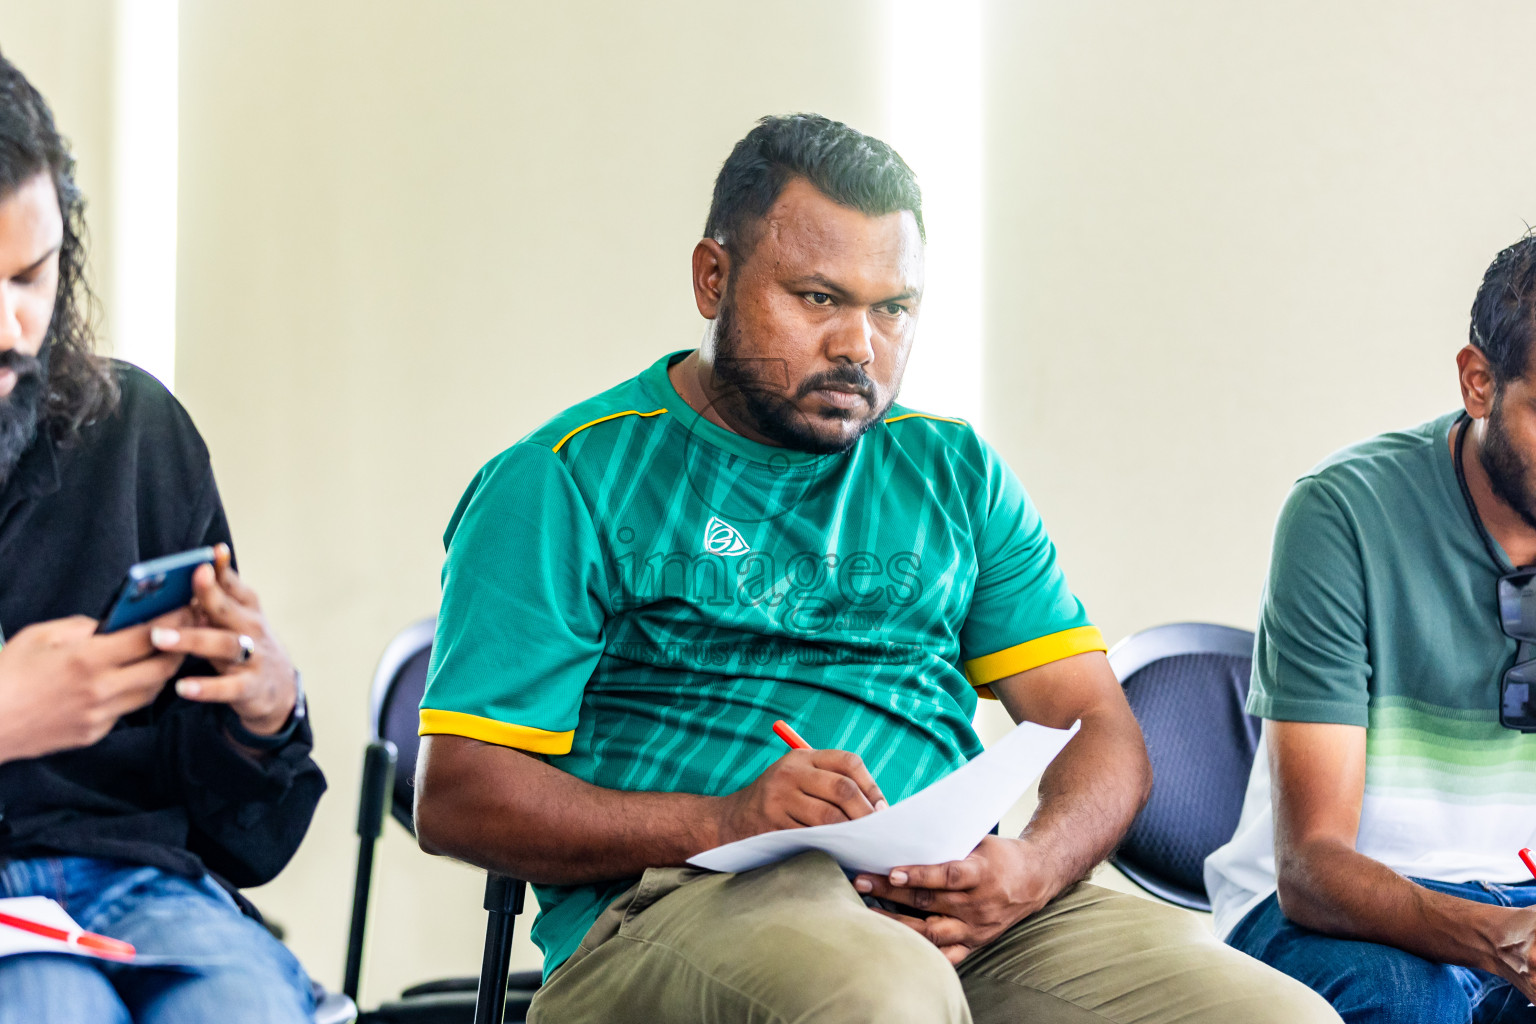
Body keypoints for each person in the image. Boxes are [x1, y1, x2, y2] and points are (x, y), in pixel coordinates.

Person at [414, 113, 1337, 1023]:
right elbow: (458, 795)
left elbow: (1098, 728)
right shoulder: (565, 478)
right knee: (883, 997)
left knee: (1279, 1017)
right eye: (818, 298)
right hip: (674, 904)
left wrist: (1030, 869)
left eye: (892, 309)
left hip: (947, 908)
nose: (860, 346)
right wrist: (723, 820)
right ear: (712, 279)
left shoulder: (950, 470)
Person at [0, 52, 324, 1023]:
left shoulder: (135, 428)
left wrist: (263, 715)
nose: (12, 323)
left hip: (139, 886)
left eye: (32, 273)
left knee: (246, 1008)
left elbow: (246, 845)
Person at [1204, 234, 1536, 1023]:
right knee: (1412, 1008)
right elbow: (1314, 868)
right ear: (1479, 382)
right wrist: (1500, 937)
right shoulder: (1344, 513)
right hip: (1332, 905)